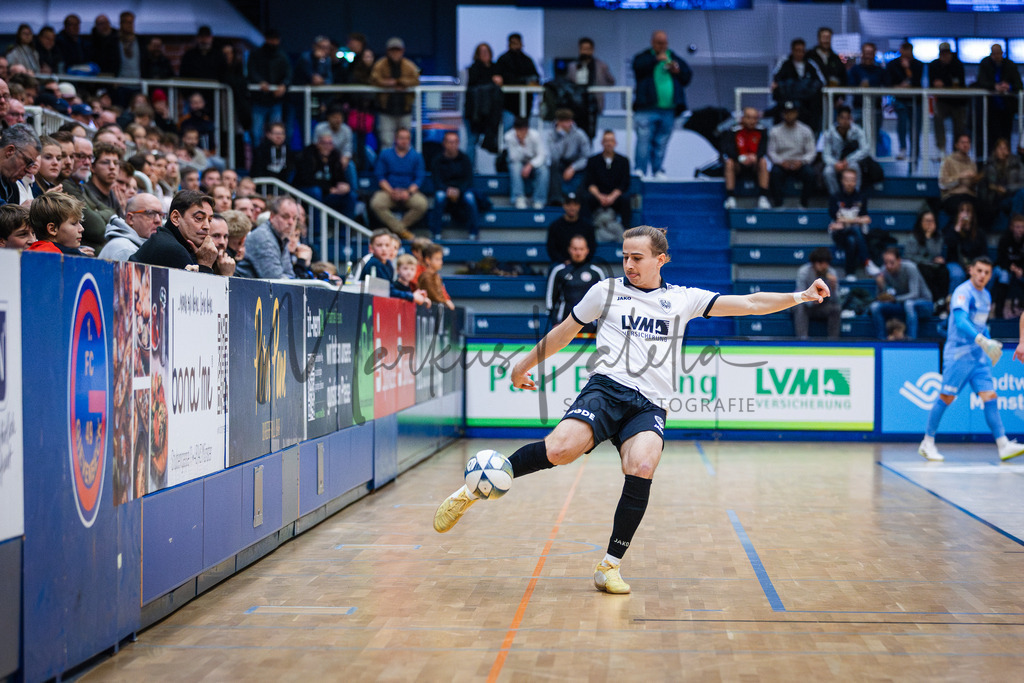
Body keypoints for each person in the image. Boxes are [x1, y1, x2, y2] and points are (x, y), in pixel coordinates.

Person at [432, 225, 831, 594]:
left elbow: (749, 303)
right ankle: (474, 488)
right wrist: (523, 364)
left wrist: (802, 296)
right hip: (606, 389)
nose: (629, 264)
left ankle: (609, 566)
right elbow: (564, 333)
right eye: (625, 256)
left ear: (661, 259)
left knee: (642, 465)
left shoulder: (683, 299)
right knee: (559, 451)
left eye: (637, 257)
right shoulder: (604, 292)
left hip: (650, 403)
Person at [919, 256, 1024, 462]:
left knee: (990, 396)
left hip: (977, 356)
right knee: (946, 397)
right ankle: (927, 442)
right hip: (959, 354)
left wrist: (988, 340)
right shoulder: (963, 292)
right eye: (979, 271)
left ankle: (1003, 445)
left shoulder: (986, 295)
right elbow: (960, 321)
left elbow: (981, 324)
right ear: (971, 271)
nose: (982, 275)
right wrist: (981, 340)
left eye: (987, 272)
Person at [631, 31, 691, 179]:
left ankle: (658, 170)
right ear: (652, 42)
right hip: (646, 108)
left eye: (664, 43)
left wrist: (677, 71)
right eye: (659, 43)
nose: (662, 46)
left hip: (668, 110)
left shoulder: (674, 58)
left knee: (661, 142)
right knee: (644, 141)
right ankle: (640, 169)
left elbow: (687, 76)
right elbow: (638, 68)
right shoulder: (643, 57)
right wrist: (655, 60)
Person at [130, 190, 217, 272]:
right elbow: (198, 288)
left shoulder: (164, 238)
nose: (207, 226)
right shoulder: (173, 250)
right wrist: (205, 264)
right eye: (199, 218)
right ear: (175, 218)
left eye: (210, 220)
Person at [370, 128, 427, 240]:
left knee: (422, 204)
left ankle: (396, 229)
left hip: (409, 192)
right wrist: (391, 192)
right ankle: (401, 231)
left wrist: (408, 192)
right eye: (401, 138)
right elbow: (380, 177)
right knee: (376, 202)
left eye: (407, 138)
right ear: (395, 139)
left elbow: (419, 178)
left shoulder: (416, 156)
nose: (404, 141)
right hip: (389, 191)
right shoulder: (385, 154)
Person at [869, 247, 933, 340]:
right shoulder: (884, 271)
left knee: (909, 304)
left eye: (891, 262)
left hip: (924, 304)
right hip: (901, 304)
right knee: (875, 307)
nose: (888, 266)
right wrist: (881, 286)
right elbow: (879, 297)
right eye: (886, 263)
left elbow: (914, 294)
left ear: (899, 260)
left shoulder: (910, 268)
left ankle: (911, 340)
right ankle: (882, 340)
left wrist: (895, 299)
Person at [828, 168, 880, 280]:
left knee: (852, 239)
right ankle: (867, 262)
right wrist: (856, 220)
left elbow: (866, 219)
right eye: (847, 180)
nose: (849, 183)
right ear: (842, 181)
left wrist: (846, 220)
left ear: (856, 181)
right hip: (839, 233)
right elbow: (836, 217)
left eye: (852, 180)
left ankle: (850, 274)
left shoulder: (861, 197)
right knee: (855, 229)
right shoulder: (835, 197)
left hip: (855, 233)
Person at [546, 234, 604, 334]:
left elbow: (604, 301)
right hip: (564, 324)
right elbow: (550, 300)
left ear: (587, 250)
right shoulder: (559, 271)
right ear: (569, 249)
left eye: (581, 249)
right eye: (575, 249)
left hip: (591, 326)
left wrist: (600, 324)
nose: (578, 252)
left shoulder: (596, 272)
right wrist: (555, 322)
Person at [370, 37, 420, 149]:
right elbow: (374, 79)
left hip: (405, 110)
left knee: (405, 143)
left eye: (397, 50)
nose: (395, 53)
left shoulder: (409, 65)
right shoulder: (380, 65)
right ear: (387, 51)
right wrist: (388, 83)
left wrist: (400, 81)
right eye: (392, 50)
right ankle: (386, 166)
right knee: (386, 142)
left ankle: (405, 166)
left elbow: (416, 80)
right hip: (386, 111)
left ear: (402, 51)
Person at [293, 132, 356, 218]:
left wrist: (344, 185)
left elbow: (339, 177)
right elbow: (306, 179)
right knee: (316, 191)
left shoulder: (335, 156)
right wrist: (328, 189)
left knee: (350, 196)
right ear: (318, 144)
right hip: (307, 191)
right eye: (324, 143)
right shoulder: (308, 154)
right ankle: (317, 230)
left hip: (328, 193)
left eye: (330, 143)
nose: (327, 146)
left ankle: (345, 231)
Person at [234, 195, 298, 279]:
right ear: (272, 216)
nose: (291, 222)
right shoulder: (262, 237)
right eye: (285, 217)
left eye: (294, 218)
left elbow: (290, 274)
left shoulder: (282, 237)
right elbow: (276, 280)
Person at [359, 228, 429, 305]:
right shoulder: (373, 263)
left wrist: (414, 294)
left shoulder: (388, 264)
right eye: (379, 245)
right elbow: (387, 291)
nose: (384, 249)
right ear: (371, 248)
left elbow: (390, 288)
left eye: (387, 245)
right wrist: (412, 296)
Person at [430, 130, 478, 240]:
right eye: (450, 142)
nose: (453, 145)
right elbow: (436, 180)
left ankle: (473, 233)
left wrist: (459, 190)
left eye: (455, 142)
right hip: (444, 190)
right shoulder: (437, 160)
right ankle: (436, 233)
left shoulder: (465, 159)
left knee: (470, 197)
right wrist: (447, 190)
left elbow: (468, 180)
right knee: (439, 196)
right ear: (444, 143)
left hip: (462, 190)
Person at [583, 129, 632, 238]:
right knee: (585, 199)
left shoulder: (623, 161)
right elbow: (589, 182)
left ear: (615, 143)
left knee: (626, 199)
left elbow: (624, 183)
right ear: (601, 143)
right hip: (597, 196)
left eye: (611, 141)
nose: (608, 143)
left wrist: (611, 197)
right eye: (606, 141)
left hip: (615, 197)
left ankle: (627, 233)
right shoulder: (593, 160)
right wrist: (600, 196)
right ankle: (586, 232)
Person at [770, 38, 824, 135]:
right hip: (788, 105)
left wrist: (796, 88)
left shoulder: (811, 64)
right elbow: (776, 82)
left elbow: (820, 82)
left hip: (808, 108)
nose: (800, 54)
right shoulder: (784, 63)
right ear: (792, 50)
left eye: (802, 51)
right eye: (797, 51)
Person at [767, 101, 816, 208]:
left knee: (810, 173)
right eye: (787, 113)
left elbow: (811, 152)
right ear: (782, 114)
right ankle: (778, 204)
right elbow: (771, 152)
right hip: (782, 163)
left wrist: (802, 161)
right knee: (775, 173)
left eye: (792, 112)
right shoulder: (775, 131)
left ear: (797, 113)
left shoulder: (805, 130)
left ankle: (804, 204)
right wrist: (781, 162)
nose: (789, 115)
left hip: (799, 162)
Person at [464, 42, 503, 172]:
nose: (485, 54)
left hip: (491, 113)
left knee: (496, 139)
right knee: (472, 141)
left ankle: (497, 170)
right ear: (477, 54)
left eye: (487, 51)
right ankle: (470, 170)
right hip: (474, 113)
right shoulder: (473, 69)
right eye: (482, 52)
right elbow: (474, 84)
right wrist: (493, 81)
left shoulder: (497, 68)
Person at [975, 44, 1022, 155]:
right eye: (994, 54)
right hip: (990, 109)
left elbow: (1019, 84)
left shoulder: (1010, 65)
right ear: (991, 54)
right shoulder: (985, 64)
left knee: (1006, 136)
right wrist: (994, 87)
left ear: (1002, 53)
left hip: (1006, 109)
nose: (997, 56)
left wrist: (1008, 87)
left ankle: (1007, 161)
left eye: (999, 53)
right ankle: (992, 161)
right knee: (992, 137)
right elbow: (980, 82)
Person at [247, 29, 292, 144]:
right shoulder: (256, 54)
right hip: (259, 99)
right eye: (271, 39)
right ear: (266, 39)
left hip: (275, 100)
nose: (273, 42)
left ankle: (276, 157)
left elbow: (288, 75)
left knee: (276, 133)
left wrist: (283, 85)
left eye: (276, 39)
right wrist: (260, 82)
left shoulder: (282, 56)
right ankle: (258, 159)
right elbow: (251, 72)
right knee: (256, 134)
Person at [722, 107, 771, 210]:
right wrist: (740, 158)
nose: (752, 121)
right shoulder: (733, 130)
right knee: (729, 163)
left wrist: (755, 157)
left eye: (754, 118)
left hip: (754, 164)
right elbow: (727, 149)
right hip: (738, 164)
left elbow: (764, 148)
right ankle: (730, 198)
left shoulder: (762, 131)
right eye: (749, 118)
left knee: (763, 162)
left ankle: (763, 197)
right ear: (742, 118)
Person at [566, 37, 615, 137]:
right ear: (579, 49)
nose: (585, 51)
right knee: (575, 133)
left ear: (592, 50)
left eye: (588, 49)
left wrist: (601, 85)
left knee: (590, 133)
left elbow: (611, 81)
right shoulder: (573, 66)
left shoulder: (601, 66)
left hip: (593, 103)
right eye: (583, 49)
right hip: (576, 103)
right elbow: (568, 83)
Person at [901, 210, 949, 310]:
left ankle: (941, 300)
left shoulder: (938, 236)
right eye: (927, 221)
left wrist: (929, 237)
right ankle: (934, 301)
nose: (929, 224)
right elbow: (908, 256)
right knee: (926, 272)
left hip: (932, 265)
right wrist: (926, 261)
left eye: (932, 221)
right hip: (918, 265)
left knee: (944, 271)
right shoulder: (913, 237)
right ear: (920, 222)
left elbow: (935, 253)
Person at [884, 42, 924, 161]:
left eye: (908, 50)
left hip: (916, 101)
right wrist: (897, 87)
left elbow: (917, 82)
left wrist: (907, 69)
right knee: (902, 124)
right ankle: (903, 148)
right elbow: (888, 83)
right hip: (900, 100)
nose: (906, 53)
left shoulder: (918, 64)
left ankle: (915, 151)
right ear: (900, 50)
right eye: (904, 50)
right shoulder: (892, 64)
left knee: (915, 127)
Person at [821, 105, 871, 196]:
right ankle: (836, 197)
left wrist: (848, 160)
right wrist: (835, 163)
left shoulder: (857, 131)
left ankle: (856, 195)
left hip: (851, 161)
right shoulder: (829, 133)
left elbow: (865, 149)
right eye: (842, 118)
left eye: (848, 118)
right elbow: (826, 154)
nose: (845, 121)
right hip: (835, 162)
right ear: (838, 119)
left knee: (855, 167)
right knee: (827, 172)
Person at [98, 192, 163, 261]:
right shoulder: (124, 250)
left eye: (161, 215)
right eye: (150, 213)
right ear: (130, 219)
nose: (158, 220)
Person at [793, 247, 840, 340]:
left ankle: (833, 341)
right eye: (820, 263)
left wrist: (833, 288)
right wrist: (811, 301)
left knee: (836, 308)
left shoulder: (831, 273)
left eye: (826, 263)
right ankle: (802, 339)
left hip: (822, 306)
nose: (824, 266)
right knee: (799, 306)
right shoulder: (804, 272)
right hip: (807, 305)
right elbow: (799, 294)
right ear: (814, 263)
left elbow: (836, 300)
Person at [930, 43, 968, 156]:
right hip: (943, 101)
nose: (945, 56)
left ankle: (957, 151)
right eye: (943, 53)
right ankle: (941, 148)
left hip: (958, 102)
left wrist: (945, 83)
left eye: (947, 53)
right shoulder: (934, 65)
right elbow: (933, 83)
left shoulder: (958, 64)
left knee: (959, 127)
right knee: (937, 116)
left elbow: (959, 83)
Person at [546, 109, 591, 205]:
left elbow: (586, 157)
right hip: (560, 162)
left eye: (568, 121)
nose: (565, 125)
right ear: (557, 122)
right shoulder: (551, 135)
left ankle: (581, 200)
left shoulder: (580, 134)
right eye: (562, 122)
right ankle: (556, 199)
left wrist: (573, 167)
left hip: (576, 162)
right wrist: (560, 137)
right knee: (553, 166)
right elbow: (554, 157)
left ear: (572, 121)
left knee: (590, 168)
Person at [495, 33, 540, 125]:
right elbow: (505, 78)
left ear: (521, 43)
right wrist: (524, 81)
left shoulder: (527, 60)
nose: (516, 46)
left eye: (518, 43)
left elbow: (535, 77)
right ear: (509, 44)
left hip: (526, 100)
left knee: (524, 125)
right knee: (508, 125)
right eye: (513, 43)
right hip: (508, 101)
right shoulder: (503, 59)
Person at [504, 117, 549, 210]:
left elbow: (542, 155)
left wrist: (530, 165)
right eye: (519, 130)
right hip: (518, 161)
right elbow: (513, 157)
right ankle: (518, 197)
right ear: (515, 129)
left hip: (534, 162)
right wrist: (521, 144)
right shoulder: (508, 137)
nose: (521, 133)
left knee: (544, 170)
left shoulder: (535, 135)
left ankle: (539, 200)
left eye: (524, 130)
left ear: (527, 129)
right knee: (515, 167)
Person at [944, 202, 988, 292]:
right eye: (962, 211)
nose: (965, 214)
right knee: (958, 274)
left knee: (984, 274)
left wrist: (974, 266)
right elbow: (950, 244)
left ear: (972, 215)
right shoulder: (952, 229)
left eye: (968, 211)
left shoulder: (979, 233)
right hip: (955, 263)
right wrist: (958, 228)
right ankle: (952, 302)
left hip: (974, 264)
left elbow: (983, 253)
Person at [26, 192, 87, 256]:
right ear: (52, 229)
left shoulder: (31, 253)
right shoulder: (50, 255)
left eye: (79, 222)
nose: (82, 229)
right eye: (74, 224)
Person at [982, 137, 1023, 229]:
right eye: (1000, 148)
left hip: (1013, 195)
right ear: (995, 150)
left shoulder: (1016, 164)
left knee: (1021, 195)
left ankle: (1014, 224)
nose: (1002, 151)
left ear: (1008, 151)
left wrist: (1007, 189)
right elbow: (990, 184)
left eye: (1005, 148)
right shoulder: (990, 165)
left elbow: (1022, 183)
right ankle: (1014, 225)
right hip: (998, 199)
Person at [938, 134, 982, 219]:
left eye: (968, 142)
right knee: (960, 207)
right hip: (952, 195)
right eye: (962, 142)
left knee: (983, 208)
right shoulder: (948, 161)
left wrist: (975, 180)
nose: (965, 145)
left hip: (969, 195)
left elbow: (974, 187)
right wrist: (960, 177)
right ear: (957, 145)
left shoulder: (972, 163)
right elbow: (942, 185)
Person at [547, 192, 595, 264]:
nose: (572, 208)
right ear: (564, 206)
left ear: (579, 206)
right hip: (561, 264)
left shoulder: (587, 226)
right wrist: (564, 261)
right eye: (569, 204)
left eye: (575, 204)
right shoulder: (555, 226)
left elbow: (592, 247)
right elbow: (551, 249)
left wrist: (581, 261)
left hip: (583, 264)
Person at [0, 123, 40, 208]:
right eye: (27, 161)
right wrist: (21, 213)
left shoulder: (13, 186)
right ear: (10, 151)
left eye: (32, 164)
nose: (29, 170)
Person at [994, 214, 1024, 318]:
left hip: (1020, 270)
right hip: (1003, 267)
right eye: (1017, 227)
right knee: (1004, 276)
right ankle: (998, 313)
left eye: (1022, 227)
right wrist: (1013, 268)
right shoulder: (1005, 238)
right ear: (1011, 227)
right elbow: (1001, 258)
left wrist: (1021, 270)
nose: (1020, 230)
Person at [807, 28, 846, 99]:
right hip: (813, 99)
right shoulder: (809, 56)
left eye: (828, 38)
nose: (826, 40)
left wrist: (841, 97)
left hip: (833, 99)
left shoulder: (836, 59)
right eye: (824, 37)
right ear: (819, 39)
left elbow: (843, 78)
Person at [418, 243, 455, 310]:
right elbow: (434, 297)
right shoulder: (426, 277)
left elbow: (442, 294)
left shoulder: (436, 276)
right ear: (428, 260)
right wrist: (446, 303)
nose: (441, 262)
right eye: (437, 259)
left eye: (441, 259)